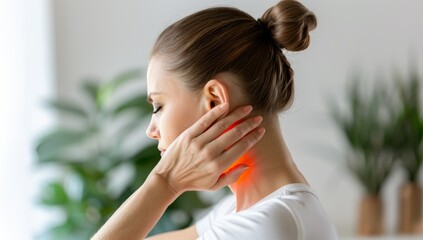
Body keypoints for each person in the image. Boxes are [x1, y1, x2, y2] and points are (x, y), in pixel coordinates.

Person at [92, 0, 338, 239]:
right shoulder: (238, 211)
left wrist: (165, 182)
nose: (151, 130)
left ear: (215, 102)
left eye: (158, 106)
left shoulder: (265, 225)